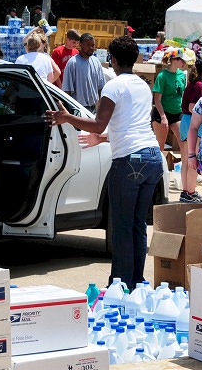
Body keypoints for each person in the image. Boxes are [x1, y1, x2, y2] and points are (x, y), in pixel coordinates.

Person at [45, 36, 163, 289]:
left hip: (129, 161)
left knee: (121, 225)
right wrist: (103, 138)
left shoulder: (113, 86)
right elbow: (132, 125)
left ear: (113, 59)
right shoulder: (143, 85)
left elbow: (99, 122)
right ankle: (137, 281)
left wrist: (67, 117)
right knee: (137, 224)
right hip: (152, 157)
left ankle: (119, 285)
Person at [179, 57, 202, 203]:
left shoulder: (196, 84)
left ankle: (186, 191)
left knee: (187, 160)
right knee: (192, 161)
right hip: (191, 123)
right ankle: (190, 192)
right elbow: (192, 107)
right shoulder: (199, 86)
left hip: (187, 122)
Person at [151, 48, 189, 155]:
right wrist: (163, 117)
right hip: (162, 113)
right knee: (161, 146)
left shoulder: (182, 75)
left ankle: (184, 169)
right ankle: (160, 170)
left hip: (177, 113)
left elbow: (182, 95)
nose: (184, 63)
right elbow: (157, 100)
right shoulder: (162, 76)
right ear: (174, 60)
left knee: (184, 144)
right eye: (182, 60)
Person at [62, 33, 105, 112]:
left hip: (94, 109)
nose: (91, 48)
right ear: (80, 45)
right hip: (78, 109)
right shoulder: (72, 63)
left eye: (93, 45)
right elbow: (67, 90)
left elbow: (101, 87)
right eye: (88, 45)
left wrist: (101, 107)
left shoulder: (96, 62)